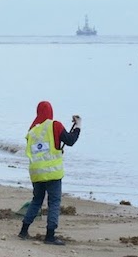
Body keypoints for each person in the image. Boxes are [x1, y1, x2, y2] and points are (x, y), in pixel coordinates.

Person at [18, 100, 81, 245]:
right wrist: (78, 125)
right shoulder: (55, 125)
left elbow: (41, 150)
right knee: (54, 202)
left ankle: (23, 230)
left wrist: (58, 147)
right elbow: (70, 140)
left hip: (36, 173)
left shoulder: (31, 131)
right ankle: (50, 236)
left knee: (37, 200)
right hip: (52, 172)